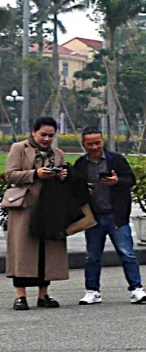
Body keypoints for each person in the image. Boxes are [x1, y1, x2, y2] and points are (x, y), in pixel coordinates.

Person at [69, 128, 146, 305]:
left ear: (102, 141)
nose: (94, 147)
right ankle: (92, 290)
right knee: (92, 256)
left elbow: (131, 180)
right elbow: (73, 189)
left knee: (127, 253)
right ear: (83, 145)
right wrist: (84, 189)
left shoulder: (116, 160)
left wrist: (117, 181)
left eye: (97, 142)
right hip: (93, 217)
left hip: (116, 215)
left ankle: (136, 289)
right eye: (89, 144)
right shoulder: (81, 164)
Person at [4, 117, 72, 311]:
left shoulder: (57, 153)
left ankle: (44, 295)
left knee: (46, 250)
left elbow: (63, 177)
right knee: (22, 251)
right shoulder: (19, 148)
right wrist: (35, 174)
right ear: (33, 132)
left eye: (51, 135)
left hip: (48, 207)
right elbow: (10, 175)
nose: (47, 139)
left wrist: (61, 175)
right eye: (43, 135)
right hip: (24, 206)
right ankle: (21, 296)